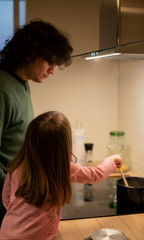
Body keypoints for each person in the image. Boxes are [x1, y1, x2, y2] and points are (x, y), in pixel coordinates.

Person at [0, 111, 122, 240]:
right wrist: (112, 160)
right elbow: (96, 175)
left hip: (7, 232)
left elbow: (7, 199)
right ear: (64, 145)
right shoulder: (62, 168)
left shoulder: (17, 163)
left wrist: (22, 216)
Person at [0, 20, 73, 225]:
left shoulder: (20, 83)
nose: (52, 70)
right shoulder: (2, 90)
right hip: (7, 203)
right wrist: (17, 197)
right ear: (29, 53)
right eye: (50, 62)